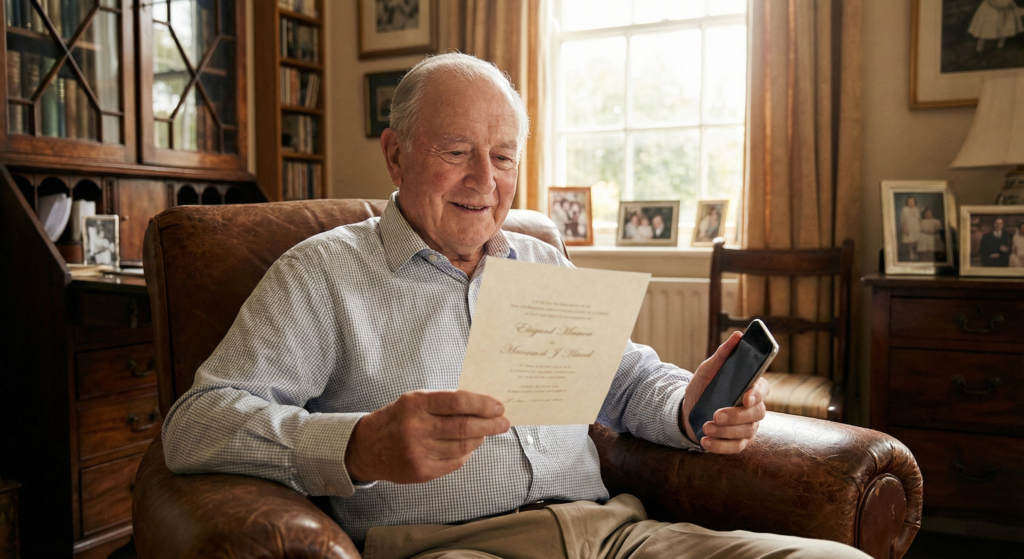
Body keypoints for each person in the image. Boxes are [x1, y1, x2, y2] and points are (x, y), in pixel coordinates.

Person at [161, 53, 867, 559]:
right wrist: (355, 444)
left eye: (503, 156)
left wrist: (692, 402)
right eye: (458, 150)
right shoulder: (321, 274)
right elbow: (195, 427)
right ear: (395, 154)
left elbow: (621, 378)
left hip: (616, 534)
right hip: (451, 546)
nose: (484, 180)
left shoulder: (538, 257)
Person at [899, 196, 921, 262]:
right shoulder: (904, 209)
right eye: (909, 201)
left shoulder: (917, 209)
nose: (910, 203)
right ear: (907, 202)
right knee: (909, 241)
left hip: (916, 227)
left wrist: (920, 227)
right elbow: (903, 220)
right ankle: (911, 254)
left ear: (915, 202)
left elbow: (919, 219)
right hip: (908, 226)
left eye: (912, 201)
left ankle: (915, 253)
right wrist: (904, 228)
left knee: (916, 241)